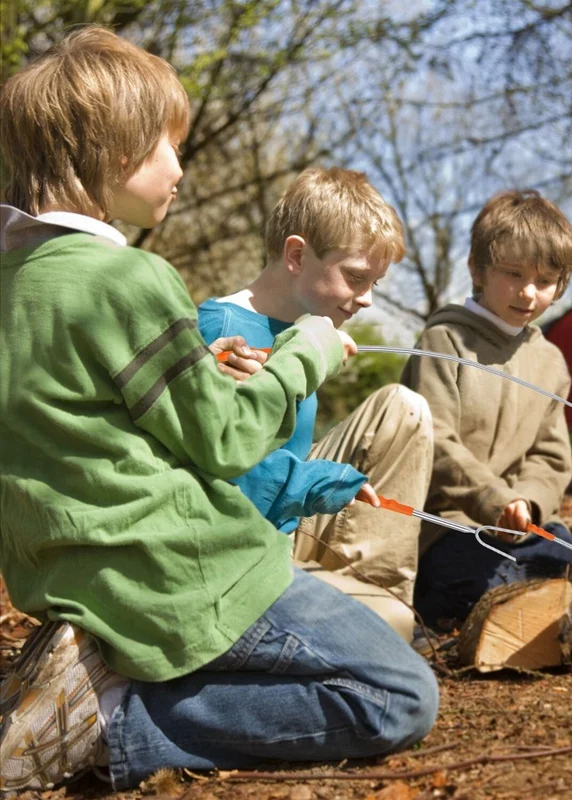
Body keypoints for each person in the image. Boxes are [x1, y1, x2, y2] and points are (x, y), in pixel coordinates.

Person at [0, 27, 437, 794]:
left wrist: (202, 371)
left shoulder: (15, 285)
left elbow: (78, 424)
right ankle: (110, 723)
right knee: (400, 694)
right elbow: (227, 442)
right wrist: (307, 348)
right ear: (111, 153)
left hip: (78, 580)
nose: (180, 167)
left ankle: (90, 683)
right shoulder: (128, 278)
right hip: (187, 575)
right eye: (168, 145)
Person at [198, 168, 433, 617]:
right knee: (388, 629)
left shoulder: (308, 330)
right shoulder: (224, 333)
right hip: (240, 536)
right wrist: (327, 482)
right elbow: (227, 475)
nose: (366, 299)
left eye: (373, 284)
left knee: (402, 407)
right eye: (356, 277)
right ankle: (361, 617)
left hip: (291, 510)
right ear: (296, 255)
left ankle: (375, 590)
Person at [401, 189, 572, 629]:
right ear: (477, 270)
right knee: (486, 587)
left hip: (527, 527)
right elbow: (436, 441)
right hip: (451, 528)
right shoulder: (444, 342)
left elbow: (550, 456)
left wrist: (527, 502)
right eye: (513, 274)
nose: (528, 293)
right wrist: (494, 501)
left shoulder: (550, 361)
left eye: (544, 281)